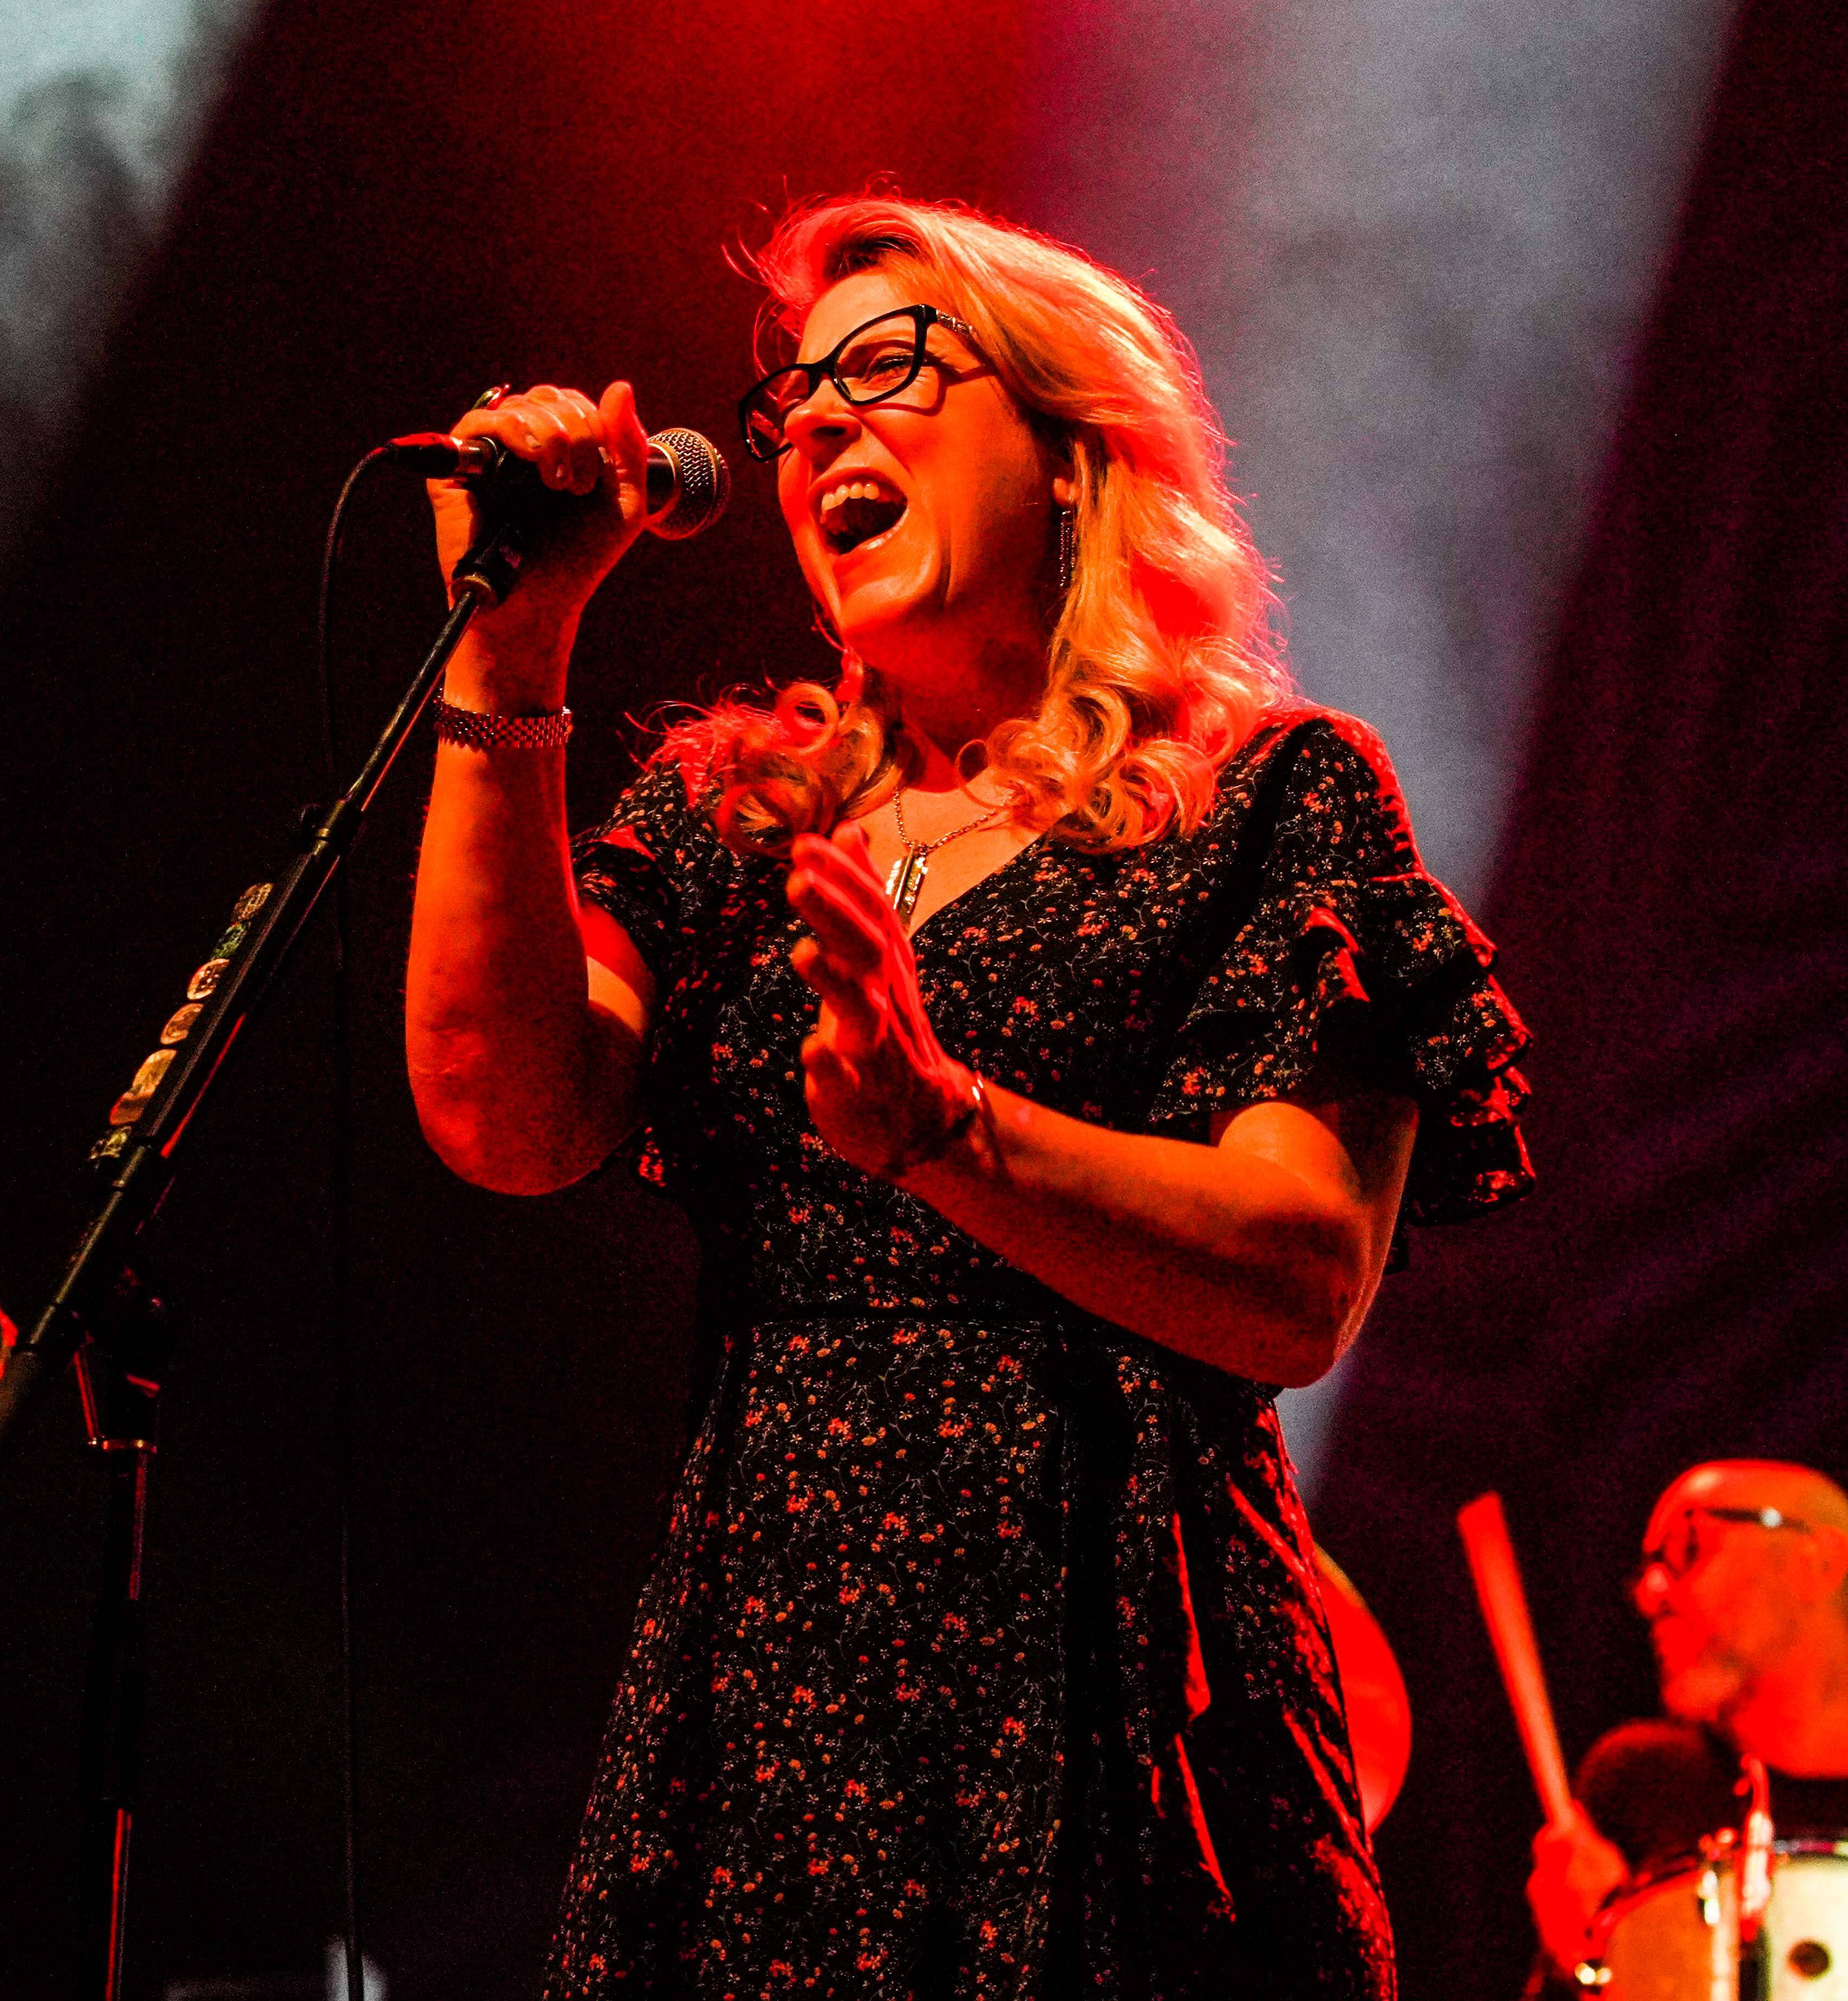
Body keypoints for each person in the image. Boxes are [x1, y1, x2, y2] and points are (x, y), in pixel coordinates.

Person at [404, 194, 1531, 1993]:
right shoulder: (731, 816)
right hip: (768, 1692)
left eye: (889, 369)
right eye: (795, 403)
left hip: (1118, 1693)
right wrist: (509, 652)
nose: (817, 429)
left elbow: (1303, 1270)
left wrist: (947, 1132)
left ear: (1075, 450)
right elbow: (503, 1114)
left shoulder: (1265, 798)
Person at [1524, 1462, 1848, 1986]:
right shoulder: (1645, 1783)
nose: (1649, 1593)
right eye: (1646, 1569)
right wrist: (1584, 1965)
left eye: (1686, 1547)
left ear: (1819, 1561)